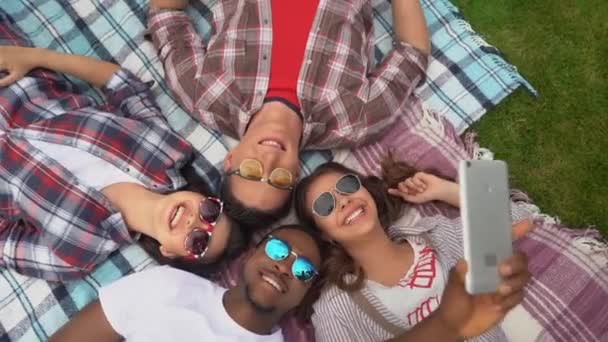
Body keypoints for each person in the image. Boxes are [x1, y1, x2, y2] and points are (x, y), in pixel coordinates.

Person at [147, 0, 431, 229]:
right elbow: (412, 52)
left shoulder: (204, 95)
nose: (269, 161)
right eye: (279, 179)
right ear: (296, 173)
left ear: (231, 160)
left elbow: (165, 14)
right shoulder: (355, 121)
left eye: (250, 172)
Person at [0, 20, 242, 281]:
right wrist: (34, 57)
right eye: (210, 213)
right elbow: (122, 83)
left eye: (198, 242)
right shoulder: (165, 148)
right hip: (13, 71)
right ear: (203, 196)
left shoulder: (74, 256)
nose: (195, 222)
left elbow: (5, 245)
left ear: (169, 253)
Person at [49, 224, 529, 342]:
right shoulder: (163, 287)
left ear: (305, 295)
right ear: (253, 254)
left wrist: (447, 322)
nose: (286, 266)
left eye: (303, 270)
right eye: (279, 250)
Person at [295, 158, 533, 341]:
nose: (343, 200)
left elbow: (519, 217)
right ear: (324, 234)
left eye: (347, 185)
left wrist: (444, 190)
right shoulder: (335, 310)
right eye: (325, 205)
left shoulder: (436, 235)